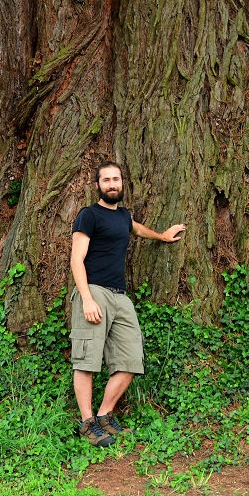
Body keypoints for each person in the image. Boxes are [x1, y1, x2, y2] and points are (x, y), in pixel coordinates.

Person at [70, 160, 186, 447]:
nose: (112, 184)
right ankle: (87, 424)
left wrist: (161, 236)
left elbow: (135, 228)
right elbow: (76, 259)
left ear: (122, 183)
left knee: (131, 359)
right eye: (106, 180)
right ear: (97, 185)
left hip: (120, 296)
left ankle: (105, 415)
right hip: (94, 291)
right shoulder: (89, 215)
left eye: (116, 179)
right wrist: (86, 298)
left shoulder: (123, 216)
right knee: (86, 360)